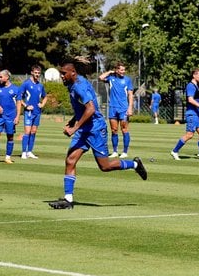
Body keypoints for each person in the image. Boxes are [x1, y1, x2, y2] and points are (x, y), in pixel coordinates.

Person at [49, 57, 147, 210]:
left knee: (105, 166)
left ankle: (134, 164)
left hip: (95, 129)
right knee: (70, 160)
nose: (61, 76)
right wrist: (75, 119)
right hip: (84, 129)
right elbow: (86, 106)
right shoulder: (73, 82)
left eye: (63, 73)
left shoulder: (79, 87)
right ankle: (68, 200)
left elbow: (91, 109)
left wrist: (74, 128)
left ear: (72, 73)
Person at [171, 69, 199, 160]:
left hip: (198, 114)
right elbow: (190, 99)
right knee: (189, 135)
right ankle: (174, 151)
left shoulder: (196, 86)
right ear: (194, 75)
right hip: (192, 114)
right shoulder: (191, 86)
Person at [98, 62, 134, 158]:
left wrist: (130, 108)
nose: (123, 71)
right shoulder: (111, 78)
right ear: (117, 70)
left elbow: (130, 94)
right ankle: (114, 151)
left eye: (124, 70)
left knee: (124, 130)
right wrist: (110, 71)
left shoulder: (127, 80)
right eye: (121, 70)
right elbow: (100, 78)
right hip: (113, 108)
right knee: (114, 130)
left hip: (124, 109)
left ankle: (125, 152)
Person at [0, 70, 20, 164]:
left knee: (10, 136)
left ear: (7, 77)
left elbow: (19, 103)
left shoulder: (15, 89)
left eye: (0, 77)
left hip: (10, 117)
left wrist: (18, 116)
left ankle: (7, 157)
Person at [18, 65, 47, 159]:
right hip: (28, 112)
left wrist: (42, 104)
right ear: (32, 72)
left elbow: (45, 97)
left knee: (33, 132)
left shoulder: (40, 85)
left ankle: (29, 151)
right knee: (27, 132)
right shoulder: (26, 84)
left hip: (37, 112)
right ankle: (23, 152)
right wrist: (26, 105)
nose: (37, 75)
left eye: (39, 73)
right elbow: (19, 97)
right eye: (35, 73)